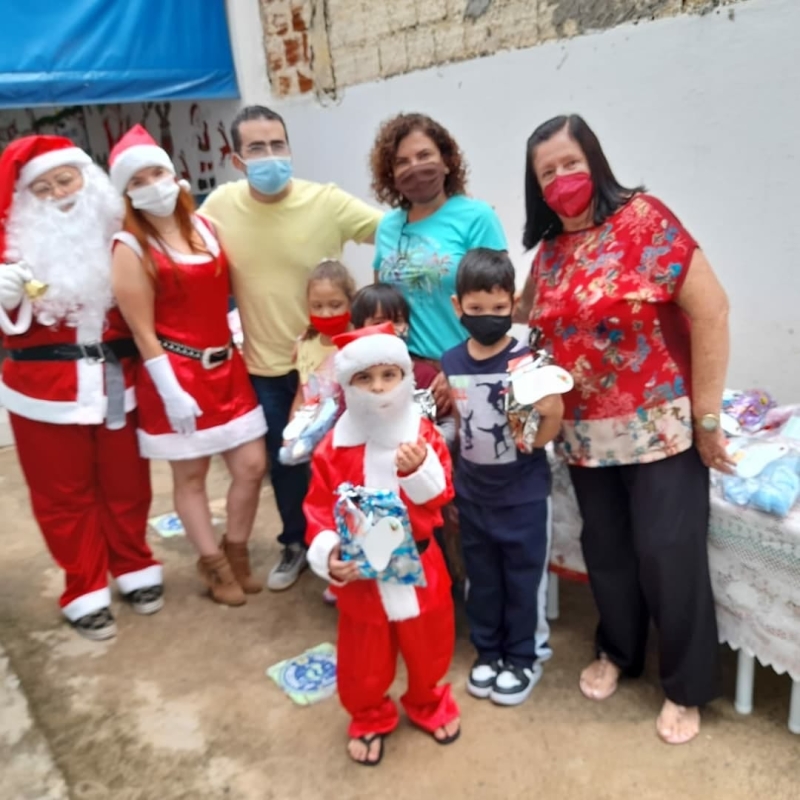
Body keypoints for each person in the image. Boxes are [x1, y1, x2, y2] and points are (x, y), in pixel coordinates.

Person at [518, 114, 730, 744]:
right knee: (606, 553)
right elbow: (526, 320)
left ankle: (687, 686)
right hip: (583, 436)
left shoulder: (646, 221)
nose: (561, 179)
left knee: (670, 556)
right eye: (546, 172)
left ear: (595, 161)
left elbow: (711, 310)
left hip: (661, 430)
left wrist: (709, 416)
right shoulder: (549, 253)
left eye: (570, 163)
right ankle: (620, 651)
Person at [200, 105, 382, 591]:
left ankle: (348, 545)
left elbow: (393, 234)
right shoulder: (219, 208)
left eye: (277, 145)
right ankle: (296, 543)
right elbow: (181, 248)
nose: (270, 156)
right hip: (264, 367)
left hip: (327, 367)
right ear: (238, 160)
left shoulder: (325, 202)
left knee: (339, 460)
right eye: (256, 148)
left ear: (289, 148)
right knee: (285, 463)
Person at [0, 135, 161, 640]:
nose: (59, 193)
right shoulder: (11, 246)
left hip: (118, 380)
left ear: (86, 179)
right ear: (26, 199)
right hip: (42, 391)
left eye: (66, 179)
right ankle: (84, 585)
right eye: (43, 187)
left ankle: (133, 564)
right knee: (62, 495)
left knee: (126, 484)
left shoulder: (121, 230)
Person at [109, 125, 267, 607]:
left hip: (228, 366)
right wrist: (172, 391)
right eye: (137, 180)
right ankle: (214, 565)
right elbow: (141, 329)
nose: (151, 185)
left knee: (251, 465)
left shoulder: (205, 228)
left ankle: (235, 549)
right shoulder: (129, 247)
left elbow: (223, 295)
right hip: (174, 375)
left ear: (172, 174)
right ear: (126, 193)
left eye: (156, 172)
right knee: (191, 476)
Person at [304, 323, 460, 766]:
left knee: (430, 646)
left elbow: (442, 496)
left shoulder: (422, 434)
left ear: (405, 377)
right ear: (348, 385)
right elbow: (317, 508)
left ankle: (429, 702)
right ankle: (369, 715)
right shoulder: (332, 447)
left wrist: (418, 472)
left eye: (388, 376)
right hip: (360, 578)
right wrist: (328, 552)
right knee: (363, 658)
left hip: (422, 567)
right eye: (364, 378)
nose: (378, 388)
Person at [441, 248, 563, 705]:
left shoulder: (530, 360)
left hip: (524, 496)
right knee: (483, 579)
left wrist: (540, 431)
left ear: (513, 304)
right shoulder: (451, 360)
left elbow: (554, 416)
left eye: (498, 308)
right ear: (458, 308)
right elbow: (457, 418)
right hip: (473, 496)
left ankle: (523, 657)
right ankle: (488, 652)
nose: (488, 316)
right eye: (476, 309)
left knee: (523, 580)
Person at [369, 112, 508, 404]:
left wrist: (460, 365)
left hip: (469, 375)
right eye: (402, 162)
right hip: (406, 380)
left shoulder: (476, 217)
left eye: (424, 155)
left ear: (446, 161)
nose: (415, 167)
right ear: (390, 174)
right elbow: (380, 311)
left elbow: (496, 307)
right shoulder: (387, 228)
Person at [289, 258, 356, 422]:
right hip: (309, 433)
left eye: (335, 305)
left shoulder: (358, 345)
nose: (325, 314)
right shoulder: (304, 344)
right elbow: (301, 393)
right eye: (317, 306)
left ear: (351, 303)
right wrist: (290, 435)